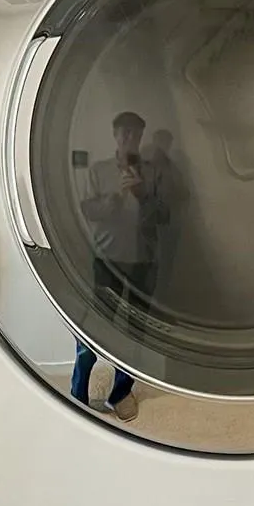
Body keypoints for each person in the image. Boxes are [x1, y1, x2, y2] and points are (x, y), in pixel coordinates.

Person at [70, 109, 169, 420]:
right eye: (124, 133)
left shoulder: (152, 172)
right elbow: (87, 210)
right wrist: (113, 200)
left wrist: (142, 195)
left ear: (141, 137)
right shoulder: (99, 170)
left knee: (135, 332)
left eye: (135, 133)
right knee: (93, 328)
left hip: (144, 261)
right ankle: (78, 392)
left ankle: (121, 391)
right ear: (115, 135)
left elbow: (165, 216)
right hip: (107, 259)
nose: (129, 138)